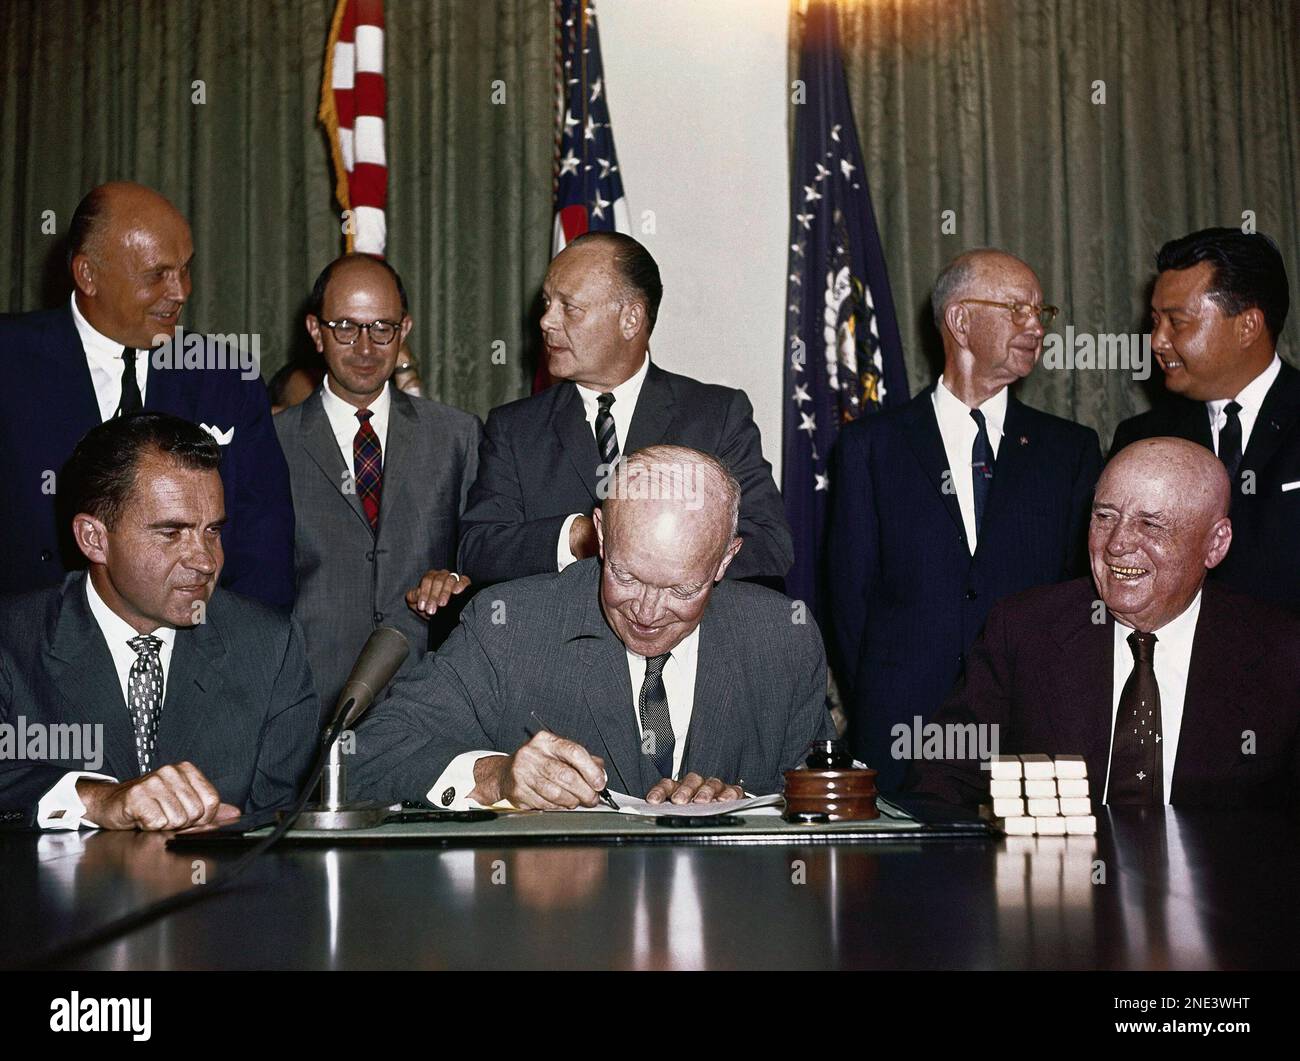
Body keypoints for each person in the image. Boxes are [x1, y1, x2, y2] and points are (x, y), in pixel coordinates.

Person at [351, 446, 832, 810]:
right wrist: (497, 776)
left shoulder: (782, 639)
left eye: (680, 591)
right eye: (625, 576)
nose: (646, 612)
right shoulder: (509, 626)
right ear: (600, 534)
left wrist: (747, 806)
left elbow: (826, 797)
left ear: (726, 560)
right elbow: (364, 758)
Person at [827, 249, 1102, 791]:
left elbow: (1077, 593)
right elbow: (849, 600)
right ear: (959, 319)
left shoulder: (1069, 449)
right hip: (902, 729)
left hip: (1030, 729)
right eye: (1016, 309)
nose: (1035, 327)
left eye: (1039, 313)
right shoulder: (872, 446)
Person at [909, 437, 1300, 808]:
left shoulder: (1282, 653)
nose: (1116, 544)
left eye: (1150, 524)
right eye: (1104, 516)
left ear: (1215, 544)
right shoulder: (1025, 630)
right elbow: (943, 779)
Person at [0, 413, 319, 831]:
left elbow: (279, 833)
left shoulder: (269, 648)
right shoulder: (13, 642)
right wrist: (98, 798)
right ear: (94, 539)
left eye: (213, 531)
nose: (205, 560)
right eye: (172, 533)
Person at [0, 181, 295, 609]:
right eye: (157, 274)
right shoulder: (10, 360)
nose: (180, 292)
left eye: (185, 269)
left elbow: (264, 553)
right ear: (88, 275)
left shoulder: (227, 377)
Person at [457, 232, 792, 588]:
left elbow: (770, 545)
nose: (546, 321)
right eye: (547, 303)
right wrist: (579, 535)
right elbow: (478, 551)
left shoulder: (716, 416)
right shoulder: (515, 427)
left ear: (631, 319)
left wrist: (657, 550)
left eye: (569, 307)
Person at [275, 255, 482, 707]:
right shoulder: (273, 443)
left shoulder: (457, 435)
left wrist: (455, 580)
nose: (365, 348)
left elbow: (484, 561)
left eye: (382, 328)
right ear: (315, 331)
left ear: (404, 330)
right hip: (306, 699)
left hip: (426, 700)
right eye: (346, 327)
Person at [1111, 228, 1298, 612]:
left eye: (1177, 322)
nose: (1156, 341)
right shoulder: (1143, 440)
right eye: (1155, 321)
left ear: (1247, 326)